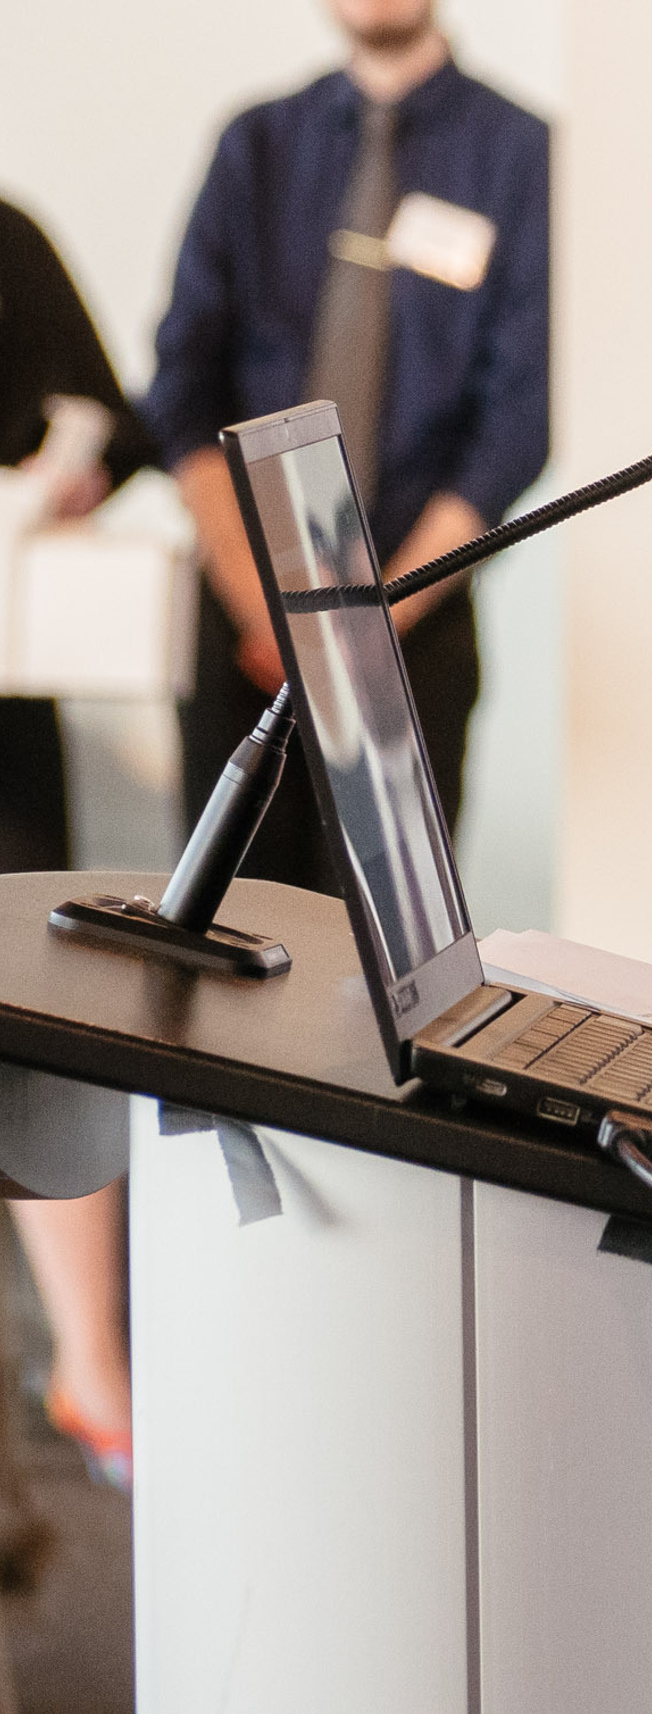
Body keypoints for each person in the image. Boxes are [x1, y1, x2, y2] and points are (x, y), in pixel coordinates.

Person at [144, 0, 549, 892]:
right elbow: (179, 389)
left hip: (414, 624)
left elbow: (517, 424)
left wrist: (367, 619)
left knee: (379, 980)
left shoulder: (522, 155)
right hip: (242, 629)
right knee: (217, 958)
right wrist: (267, 605)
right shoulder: (255, 147)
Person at [0, 197, 158, 1490]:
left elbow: (106, 417)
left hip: (3, 711)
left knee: (35, 1017)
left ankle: (87, 1357)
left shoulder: (6, 239)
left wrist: (54, 480)